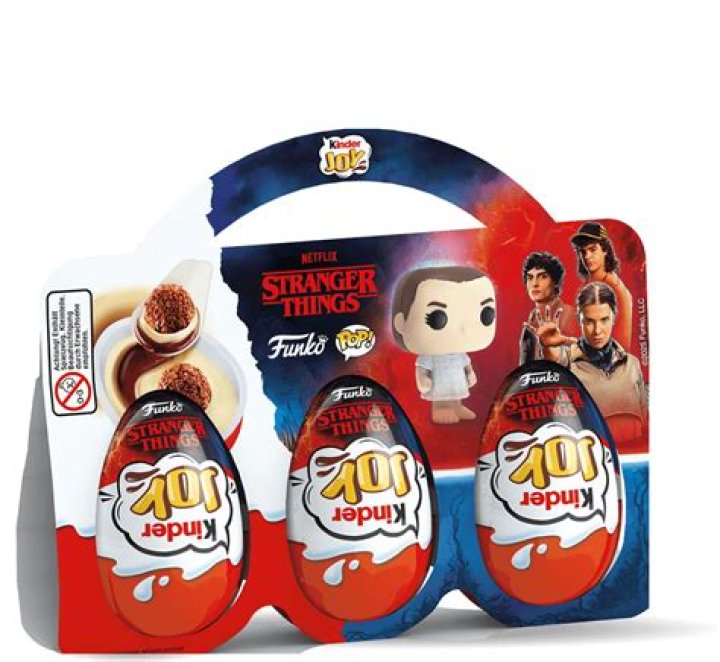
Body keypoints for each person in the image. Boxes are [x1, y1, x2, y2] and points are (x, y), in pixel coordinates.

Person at [525, 282, 647, 449]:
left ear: (614, 317)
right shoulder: (568, 361)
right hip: (589, 460)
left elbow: (646, 423)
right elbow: (555, 360)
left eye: (604, 320)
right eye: (589, 321)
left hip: (632, 457)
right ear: (579, 320)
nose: (597, 330)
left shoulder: (632, 364)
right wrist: (547, 346)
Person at [392, 266, 497, 424]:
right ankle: (440, 408)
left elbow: (466, 364)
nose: (464, 329)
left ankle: (457, 406)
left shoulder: (460, 353)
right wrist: (422, 381)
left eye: (486, 315)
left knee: (457, 394)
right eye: (437, 318)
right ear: (401, 323)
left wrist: (470, 374)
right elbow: (422, 369)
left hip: (457, 382)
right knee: (441, 396)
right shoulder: (431, 356)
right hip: (439, 385)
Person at [571, 222, 633, 350]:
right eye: (583, 251)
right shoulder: (585, 286)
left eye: (593, 249)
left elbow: (623, 348)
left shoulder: (617, 290)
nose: (587, 256)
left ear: (605, 250)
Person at [518, 251, 577, 365]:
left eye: (543, 277)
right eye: (530, 277)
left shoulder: (569, 315)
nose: (535, 284)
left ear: (555, 282)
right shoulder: (532, 318)